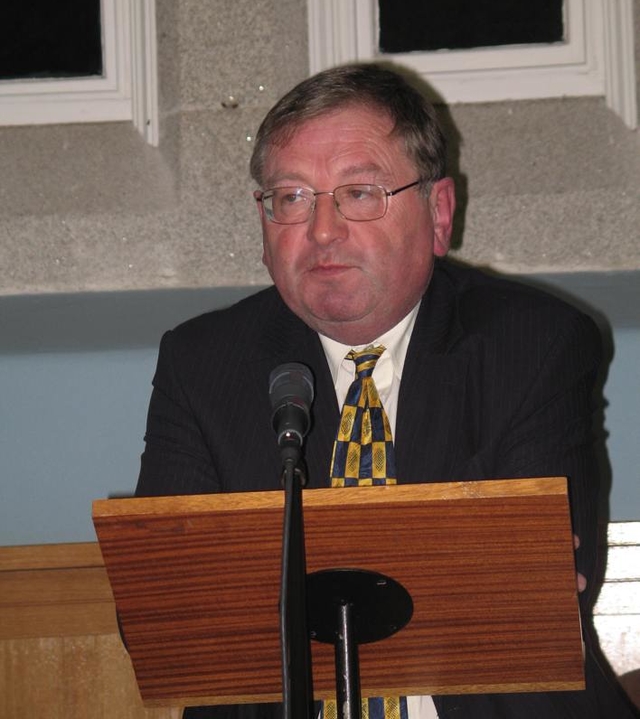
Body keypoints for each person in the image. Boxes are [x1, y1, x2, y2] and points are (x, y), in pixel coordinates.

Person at [136, 63, 638, 718]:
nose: (321, 230)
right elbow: (167, 619)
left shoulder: (534, 345)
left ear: (438, 212)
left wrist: (271, 596)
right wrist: (461, 575)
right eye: (291, 197)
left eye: (360, 193)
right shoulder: (202, 363)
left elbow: (542, 597)